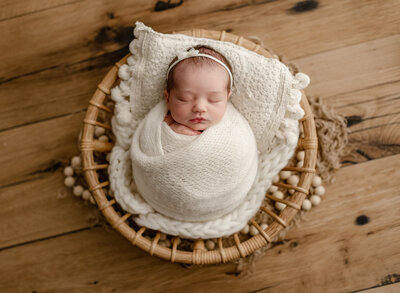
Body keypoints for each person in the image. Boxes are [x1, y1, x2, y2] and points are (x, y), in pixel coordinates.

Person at [163, 46, 233, 136]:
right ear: (168, 98)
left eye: (214, 99)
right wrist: (167, 133)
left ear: (227, 99)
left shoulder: (233, 128)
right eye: (185, 98)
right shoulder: (159, 122)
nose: (200, 108)